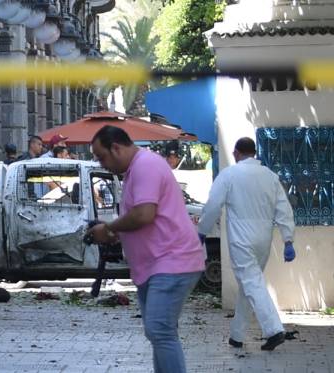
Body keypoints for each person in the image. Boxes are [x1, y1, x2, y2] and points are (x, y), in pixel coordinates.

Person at [87, 126, 205, 373]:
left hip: (172, 261)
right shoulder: (135, 170)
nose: (101, 163)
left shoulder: (145, 165)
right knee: (159, 332)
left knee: (160, 330)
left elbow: (143, 214)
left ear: (116, 148)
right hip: (155, 265)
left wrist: (108, 229)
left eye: (102, 156)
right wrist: (114, 233)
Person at [197, 137, 296, 351]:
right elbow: (284, 208)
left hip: (242, 240)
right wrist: (288, 239)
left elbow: (213, 204)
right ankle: (236, 335)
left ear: (236, 152)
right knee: (250, 285)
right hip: (264, 240)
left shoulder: (229, 175)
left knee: (251, 283)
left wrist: (202, 232)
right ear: (254, 152)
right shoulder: (270, 177)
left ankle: (274, 329)